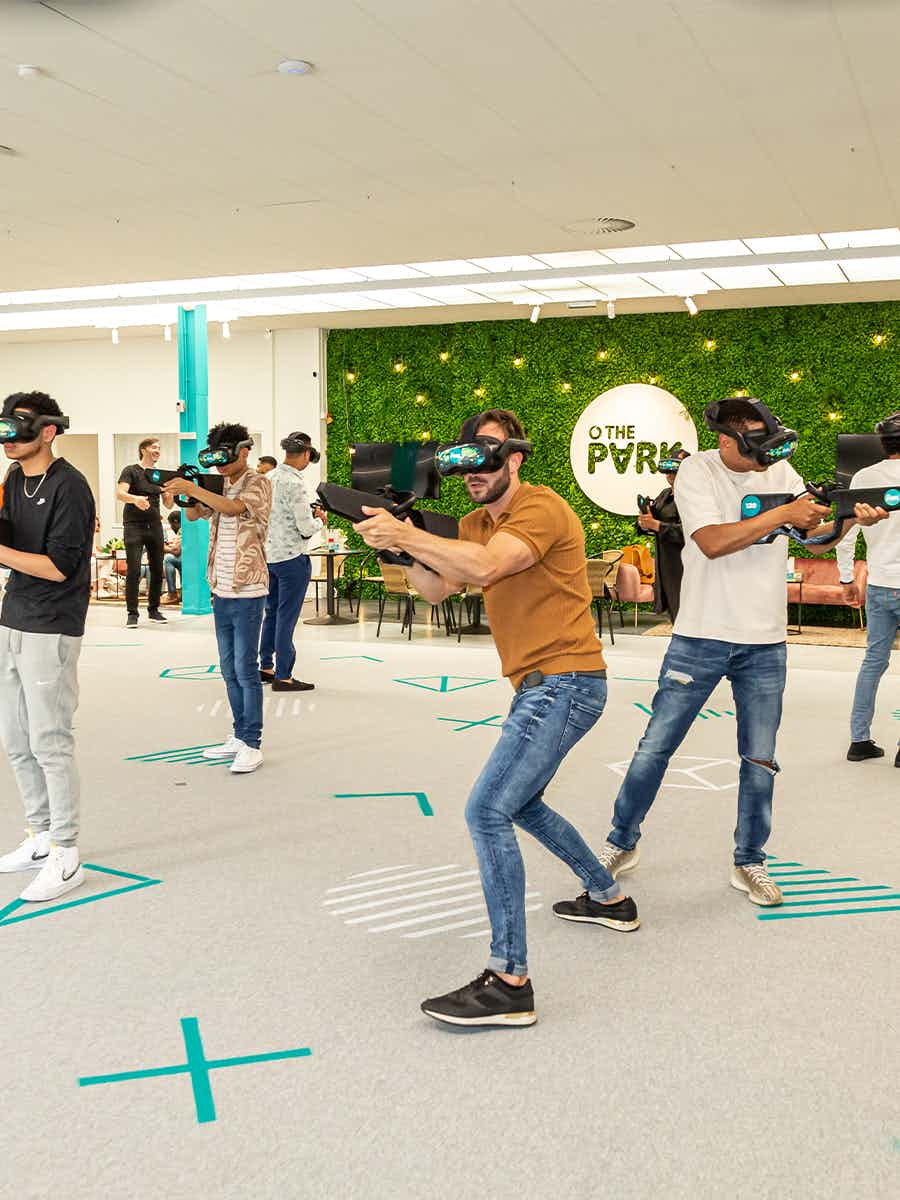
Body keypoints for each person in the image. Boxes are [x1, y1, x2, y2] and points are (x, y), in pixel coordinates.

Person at [355, 409, 638, 1029]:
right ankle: (609, 898)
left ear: (514, 458)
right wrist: (398, 542)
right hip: (539, 685)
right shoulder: (473, 522)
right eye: (462, 459)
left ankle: (510, 980)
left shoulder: (540, 507)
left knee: (487, 810)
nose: (472, 471)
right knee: (522, 803)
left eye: (486, 456)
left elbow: (485, 568)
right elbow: (438, 591)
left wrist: (408, 537)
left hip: (564, 680)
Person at [600, 398, 887, 908]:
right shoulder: (696, 471)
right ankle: (620, 843)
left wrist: (846, 521)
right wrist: (784, 512)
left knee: (759, 759)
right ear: (727, 441)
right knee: (654, 748)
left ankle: (749, 859)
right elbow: (711, 541)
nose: (767, 461)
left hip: (765, 643)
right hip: (700, 635)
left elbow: (813, 537)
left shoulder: (781, 467)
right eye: (757, 448)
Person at [0, 391, 95, 902]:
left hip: (52, 626)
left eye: (18, 429)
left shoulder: (71, 488)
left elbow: (58, 567)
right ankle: (39, 837)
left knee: (49, 742)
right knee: (15, 740)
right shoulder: (15, 478)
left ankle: (66, 852)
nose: (8, 440)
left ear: (48, 430)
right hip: (12, 619)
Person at [162, 422, 271, 774]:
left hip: (248, 588)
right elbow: (195, 514)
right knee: (228, 669)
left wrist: (196, 487)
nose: (220, 466)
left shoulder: (259, 483)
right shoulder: (216, 484)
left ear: (244, 451)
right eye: (215, 459)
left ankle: (253, 742)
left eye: (225, 457)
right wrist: (185, 496)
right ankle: (239, 736)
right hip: (220, 587)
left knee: (245, 668)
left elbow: (235, 508)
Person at [837, 410, 900, 765]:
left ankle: (859, 741)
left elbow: (846, 535)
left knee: (873, 663)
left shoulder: (864, 476)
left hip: (878, 585)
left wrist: (847, 579)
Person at [260, 432, 325, 692]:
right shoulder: (297, 485)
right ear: (307, 455)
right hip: (292, 559)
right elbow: (306, 527)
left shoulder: (268, 478)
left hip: (269, 557)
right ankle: (284, 675)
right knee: (287, 618)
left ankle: (266, 666)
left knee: (271, 613)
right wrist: (321, 519)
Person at [117, 436, 172, 628]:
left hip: (154, 525)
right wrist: (135, 499)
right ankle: (132, 613)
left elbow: (168, 504)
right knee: (134, 569)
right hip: (133, 526)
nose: (157, 450)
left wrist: (169, 492)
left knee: (158, 568)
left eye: (159, 448)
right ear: (143, 450)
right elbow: (120, 493)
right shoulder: (131, 470)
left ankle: (153, 609)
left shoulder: (159, 475)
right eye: (154, 447)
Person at [636, 449, 689, 622]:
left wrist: (657, 525)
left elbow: (691, 532)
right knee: (674, 615)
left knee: (686, 616)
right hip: (665, 567)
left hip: (685, 567)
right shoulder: (665, 495)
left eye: (676, 470)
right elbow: (650, 524)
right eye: (669, 470)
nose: (671, 475)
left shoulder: (693, 497)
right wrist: (644, 521)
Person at [160, 510, 182, 605]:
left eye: (171, 524)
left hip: (189, 560)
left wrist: (162, 547)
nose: (171, 527)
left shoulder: (182, 529)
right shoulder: (186, 528)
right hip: (192, 559)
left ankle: (172, 593)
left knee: (168, 558)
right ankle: (180, 592)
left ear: (176, 521)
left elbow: (176, 551)